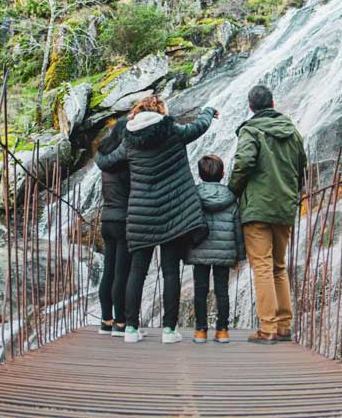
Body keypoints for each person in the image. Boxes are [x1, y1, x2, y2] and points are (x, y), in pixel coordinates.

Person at [115, 96, 217, 344]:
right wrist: (208, 110)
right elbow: (199, 127)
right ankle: (169, 331)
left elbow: (108, 161)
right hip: (173, 214)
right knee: (170, 272)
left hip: (141, 214)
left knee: (137, 271)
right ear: (161, 111)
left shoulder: (129, 139)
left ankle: (131, 329)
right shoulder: (172, 130)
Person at [229, 84, 307, 345]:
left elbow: (244, 162)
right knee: (278, 266)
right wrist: (291, 194)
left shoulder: (251, 130)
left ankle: (268, 327)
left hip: (258, 209)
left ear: (251, 107)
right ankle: (284, 326)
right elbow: (302, 167)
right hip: (284, 206)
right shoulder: (292, 132)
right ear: (273, 104)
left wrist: (233, 190)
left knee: (262, 265)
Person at [184, 154, 245, 344]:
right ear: (223, 174)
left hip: (199, 249)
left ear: (200, 174)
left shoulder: (194, 195)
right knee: (222, 291)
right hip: (224, 251)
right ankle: (222, 331)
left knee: (200, 290)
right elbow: (237, 228)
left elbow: (188, 223)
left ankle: (200, 331)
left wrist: (185, 250)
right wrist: (239, 256)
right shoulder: (231, 197)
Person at [94, 119, 131, 337]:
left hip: (107, 220)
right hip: (124, 221)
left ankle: (105, 321)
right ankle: (120, 323)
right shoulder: (127, 159)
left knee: (108, 272)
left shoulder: (104, 156)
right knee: (121, 274)